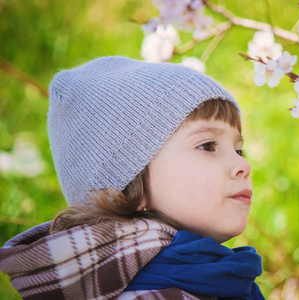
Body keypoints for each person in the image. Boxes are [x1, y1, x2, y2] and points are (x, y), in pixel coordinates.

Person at [0, 56, 265, 300]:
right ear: (129, 183)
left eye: (239, 149)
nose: (243, 164)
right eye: (207, 146)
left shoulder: (214, 275)